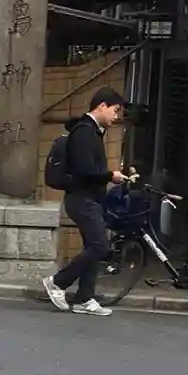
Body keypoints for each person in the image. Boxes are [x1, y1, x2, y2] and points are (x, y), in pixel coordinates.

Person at [43, 88, 127, 318]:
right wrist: (110, 176)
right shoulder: (84, 132)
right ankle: (57, 282)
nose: (116, 116)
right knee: (100, 246)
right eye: (115, 110)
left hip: (89, 199)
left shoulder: (92, 131)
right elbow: (84, 170)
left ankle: (84, 298)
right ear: (101, 105)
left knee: (93, 247)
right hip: (81, 199)